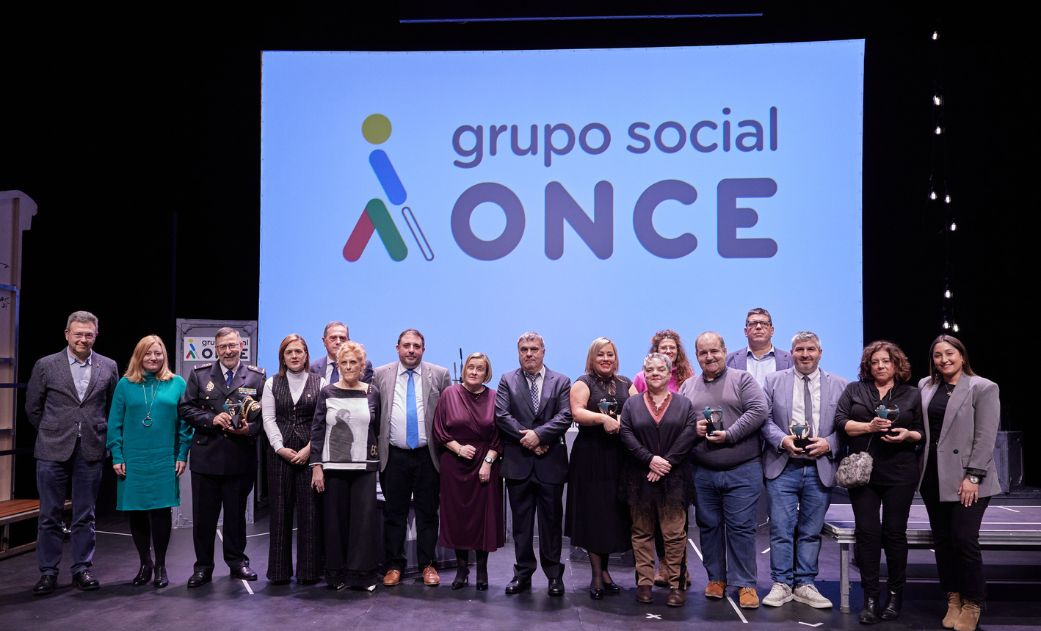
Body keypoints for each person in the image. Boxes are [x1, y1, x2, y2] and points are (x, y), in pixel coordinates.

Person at [25, 311, 118, 594]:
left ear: (96, 335)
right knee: (49, 514)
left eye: (88, 334)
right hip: (52, 449)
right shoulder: (46, 365)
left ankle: (82, 569)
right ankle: (48, 572)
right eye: (78, 333)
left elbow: (114, 407)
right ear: (67, 334)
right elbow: (33, 407)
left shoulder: (108, 365)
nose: (83, 339)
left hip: (91, 448)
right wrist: (53, 431)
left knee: (85, 514)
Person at [835, 340, 923, 624]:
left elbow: (922, 432)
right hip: (864, 471)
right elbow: (841, 422)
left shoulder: (913, 394)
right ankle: (870, 598)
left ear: (897, 364)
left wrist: (907, 435)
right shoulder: (854, 390)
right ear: (868, 366)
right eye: (875, 362)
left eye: (886, 361)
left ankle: (895, 596)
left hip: (900, 471)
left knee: (895, 533)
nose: (880, 366)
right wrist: (868, 427)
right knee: (868, 534)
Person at [679, 331, 768, 609]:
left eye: (714, 351)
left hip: (742, 469)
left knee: (741, 529)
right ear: (697, 356)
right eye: (703, 353)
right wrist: (693, 428)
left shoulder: (742, 379)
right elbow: (681, 422)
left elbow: (758, 411)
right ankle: (716, 578)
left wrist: (729, 434)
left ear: (724, 351)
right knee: (709, 527)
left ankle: (745, 584)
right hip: (702, 471)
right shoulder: (688, 386)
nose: (710, 357)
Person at [760, 332, 848, 609]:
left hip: (820, 466)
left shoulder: (840, 385)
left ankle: (805, 584)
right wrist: (782, 440)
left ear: (820, 352)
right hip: (783, 465)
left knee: (810, 531)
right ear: (791, 352)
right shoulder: (773, 381)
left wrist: (829, 443)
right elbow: (764, 420)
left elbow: (845, 426)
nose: (806, 354)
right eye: (800, 349)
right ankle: (782, 583)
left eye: (811, 349)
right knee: (781, 529)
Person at [918, 335, 1000, 631]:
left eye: (949, 353)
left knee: (964, 540)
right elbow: (927, 432)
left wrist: (973, 476)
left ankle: (973, 603)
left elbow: (986, 436)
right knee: (942, 542)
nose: (944, 360)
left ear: (962, 356)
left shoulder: (984, 387)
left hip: (968, 477)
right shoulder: (926, 386)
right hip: (933, 476)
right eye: (938, 355)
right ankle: (952, 599)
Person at [178, 327, 265, 587]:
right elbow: (185, 408)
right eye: (223, 347)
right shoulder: (200, 374)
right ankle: (203, 566)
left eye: (232, 345)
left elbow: (265, 417)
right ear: (216, 349)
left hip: (241, 457)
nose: (228, 351)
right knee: (204, 517)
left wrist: (252, 429)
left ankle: (238, 562)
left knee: (236, 516)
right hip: (207, 457)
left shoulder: (256, 377)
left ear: (241, 346)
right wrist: (211, 419)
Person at [107, 335, 192, 589]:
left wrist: (181, 454)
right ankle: (145, 562)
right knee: (137, 512)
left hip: (164, 456)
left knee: (161, 511)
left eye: (158, 353)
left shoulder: (177, 383)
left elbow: (186, 424)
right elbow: (115, 423)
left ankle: (161, 564)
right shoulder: (125, 385)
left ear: (164, 356)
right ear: (139, 356)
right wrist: (117, 455)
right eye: (148, 354)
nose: (153, 358)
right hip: (133, 458)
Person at [495, 331, 573, 597]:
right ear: (518, 352)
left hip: (550, 463)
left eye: (534, 349)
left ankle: (553, 575)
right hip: (519, 463)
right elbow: (502, 415)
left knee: (551, 523)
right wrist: (528, 439)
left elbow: (565, 415)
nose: (529, 354)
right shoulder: (507, 380)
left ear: (544, 351)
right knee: (521, 525)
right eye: (524, 349)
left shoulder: (561, 381)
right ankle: (523, 573)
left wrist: (540, 435)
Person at [372, 329, 451, 587]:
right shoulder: (381, 374)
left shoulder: (439, 375)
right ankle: (394, 565)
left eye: (416, 346)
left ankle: (428, 565)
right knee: (395, 513)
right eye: (406, 345)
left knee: (428, 513)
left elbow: (447, 414)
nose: (411, 350)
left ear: (423, 350)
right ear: (397, 347)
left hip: (428, 456)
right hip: (394, 455)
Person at [620, 353, 698, 607]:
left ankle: (676, 584)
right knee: (641, 533)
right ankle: (644, 582)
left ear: (668, 374)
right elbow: (627, 434)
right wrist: (649, 460)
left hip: (674, 481)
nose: (655, 373)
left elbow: (688, 435)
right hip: (639, 479)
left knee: (674, 535)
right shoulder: (631, 404)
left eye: (660, 369)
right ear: (644, 374)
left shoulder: (684, 404)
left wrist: (665, 463)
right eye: (650, 370)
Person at [309, 341, 382, 591]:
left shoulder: (372, 392)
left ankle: (361, 577)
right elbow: (317, 430)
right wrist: (316, 465)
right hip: (332, 467)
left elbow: (378, 428)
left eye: (354, 362)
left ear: (362, 366)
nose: (349, 366)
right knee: (334, 523)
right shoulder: (327, 392)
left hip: (364, 467)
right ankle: (336, 575)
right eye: (344, 362)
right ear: (337, 365)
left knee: (363, 524)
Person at [565, 337, 632, 600]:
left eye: (610, 355)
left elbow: (637, 409)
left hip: (619, 458)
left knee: (612, 516)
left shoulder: (626, 383)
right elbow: (577, 412)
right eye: (600, 355)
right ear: (592, 359)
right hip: (591, 457)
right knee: (594, 516)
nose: (606, 359)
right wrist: (604, 418)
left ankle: (605, 572)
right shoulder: (583, 382)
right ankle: (596, 575)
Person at [432, 352, 504, 591]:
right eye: (470, 367)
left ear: (487, 373)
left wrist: (488, 462)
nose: (474, 372)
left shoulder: (495, 397)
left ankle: (482, 570)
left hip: (485, 466)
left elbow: (499, 437)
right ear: (464, 370)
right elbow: (439, 430)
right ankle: (462, 569)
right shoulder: (449, 394)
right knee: (457, 519)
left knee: (482, 518)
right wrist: (459, 449)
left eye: (480, 368)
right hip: (455, 464)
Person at [261, 334, 325, 585]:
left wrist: (310, 449)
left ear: (307, 355)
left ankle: (309, 572)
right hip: (280, 457)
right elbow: (268, 418)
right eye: (290, 352)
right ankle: (278, 572)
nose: (295, 356)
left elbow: (321, 422)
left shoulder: (318, 383)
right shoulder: (271, 383)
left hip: (310, 455)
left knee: (310, 514)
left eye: (299, 351)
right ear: (283, 357)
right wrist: (279, 448)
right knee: (279, 514)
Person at [725, 307, 793, 386]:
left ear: (772, 331)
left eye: (764, 323)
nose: (758, 327)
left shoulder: (790, 360)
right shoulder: (729, 360)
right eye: (753, 323)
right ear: (745, 331)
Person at [630, 329, 694, 394]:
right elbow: (633, 402)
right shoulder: (641, 378)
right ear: (656, 351)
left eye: (672, 347)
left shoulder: (687, 377)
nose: (668, 351)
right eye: (663, 348)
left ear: (678, 351)